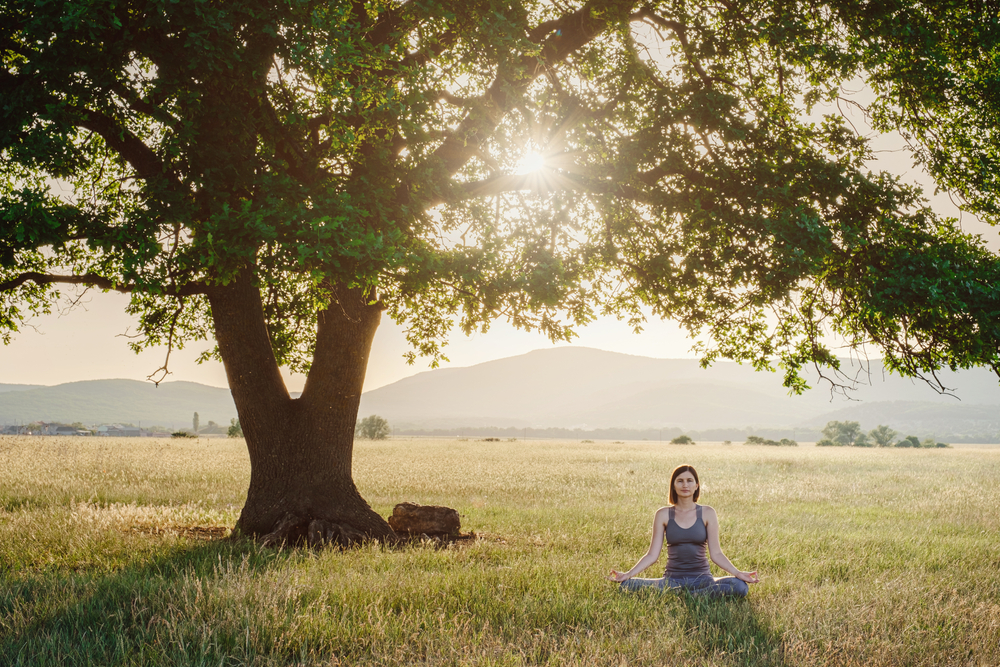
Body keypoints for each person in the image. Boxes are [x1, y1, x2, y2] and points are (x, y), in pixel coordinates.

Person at [607, 463, 759, 597]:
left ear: (696, 485)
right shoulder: (663, 514)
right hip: (672, 580)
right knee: (627, 586)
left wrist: (738, 573)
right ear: (673, 485)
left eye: (689, 481)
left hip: (703, 581)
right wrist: (628, 574)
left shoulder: (707, 513)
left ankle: (690, 595)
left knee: (739, 586)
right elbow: (652, 555)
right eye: (680, 481)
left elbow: (716, 554)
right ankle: (685, 593)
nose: (685, 485)